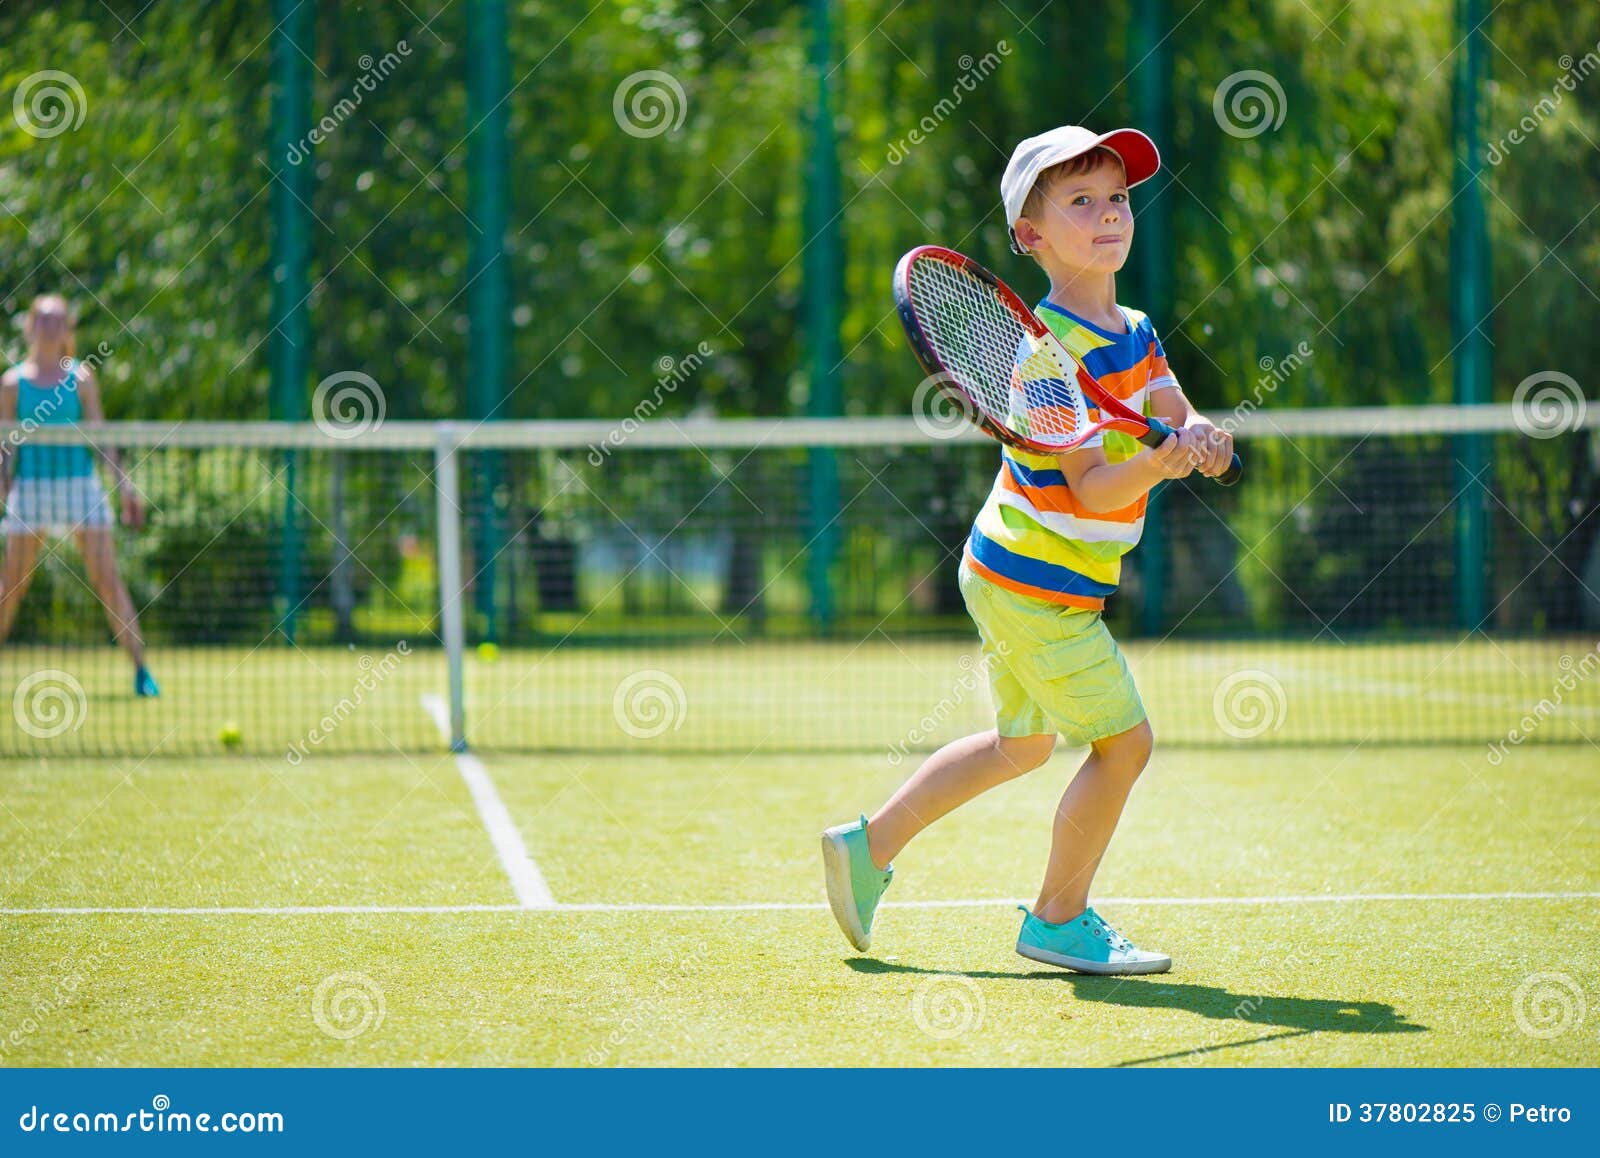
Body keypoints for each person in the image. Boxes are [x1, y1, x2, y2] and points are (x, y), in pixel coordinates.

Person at [821, 126, 1233, 974]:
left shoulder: (1140, 330)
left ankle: (869, 847)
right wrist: (1155, 466)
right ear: (1030, 236)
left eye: (1116, 196)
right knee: (1125, 744)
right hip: (1031, 582)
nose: (1108, 213)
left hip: (1024, 573)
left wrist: (1200, 437)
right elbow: (1090, 486)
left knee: (1023, 745)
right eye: (1079, 200)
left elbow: (1175, 407)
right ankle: (1057, 917)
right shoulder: (1042, 361)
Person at [0, 294, 158, 696]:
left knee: (107, 578)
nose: (51, 327)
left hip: (78, 488)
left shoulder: (82, 377)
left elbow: (102, 439)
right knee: (12, 585)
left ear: (68, 328)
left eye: (59, 320)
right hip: (32, 490)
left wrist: (125, 487)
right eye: (44, 320)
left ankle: (141, 671)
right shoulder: (12, 383)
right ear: (31, 326)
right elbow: (6, 448)